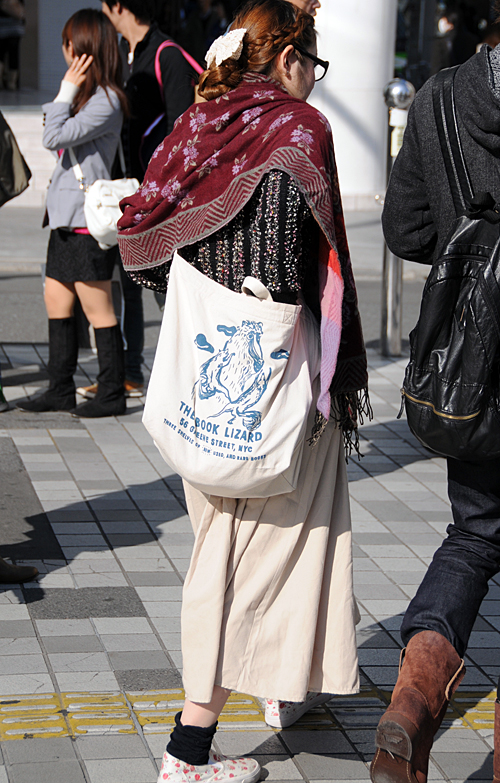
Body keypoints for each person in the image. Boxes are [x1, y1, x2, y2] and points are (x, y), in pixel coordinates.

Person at [118, 0, 370, 779]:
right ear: (288, 58)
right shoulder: (299, 128)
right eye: (313, 64)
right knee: (254, 560)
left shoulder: (201, 121)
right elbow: (294, 261)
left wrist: (204, 296)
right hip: (272, 377)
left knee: (224, 545)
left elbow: (143, 240)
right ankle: (188, 749)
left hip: (202, 379)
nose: (315, 80)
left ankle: (278, 686)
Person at [370, 13, 500, 783]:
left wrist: (466, 240)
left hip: (474, 369)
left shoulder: (442, 96)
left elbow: (405, 228)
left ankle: (413, 704)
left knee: (475, 536)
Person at [73, 0, 198, 401]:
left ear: (119, 5)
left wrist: (163, 194)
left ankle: (189, 379)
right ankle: (130, 373)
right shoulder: (121, 54)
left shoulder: (167, 55)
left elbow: (183, 132)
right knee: (128, 285)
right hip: (128, 194)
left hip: (162, 200)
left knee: (168, 292)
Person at [16, 9, 128, 418]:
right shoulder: (86, 98)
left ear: (83, 49)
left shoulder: (107, 101)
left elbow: (52, 136)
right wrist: (68, 94)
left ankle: (112, 392)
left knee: (98, 308)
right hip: (65, 218)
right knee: (56, 300)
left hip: (85, 221)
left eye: (69, 44)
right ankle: (59, 388)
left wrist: (64, 90)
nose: (64, 51)